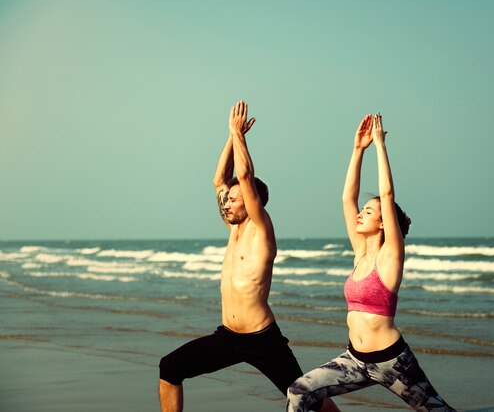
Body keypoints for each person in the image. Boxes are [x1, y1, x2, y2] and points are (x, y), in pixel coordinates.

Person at [159, 101, 338, 412]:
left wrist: (239, 135)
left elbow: (244, 174)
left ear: (254, 203)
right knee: (170, 368)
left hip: (262, 339)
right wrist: (230, 137)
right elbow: (220, 180)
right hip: (228, 336)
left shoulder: (261, 229)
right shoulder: (234, 229)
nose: (226, 203)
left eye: (234, 199)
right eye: (227, 200)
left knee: (304, 395)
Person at [286, 113, 456, 412]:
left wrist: (379, 145)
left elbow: (387, 195)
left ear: (383, 223)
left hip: (392, 362)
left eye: (369, 211)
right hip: (354, 360)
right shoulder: (360, 252)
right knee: (298, 392)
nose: (360, 213)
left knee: (438, 411)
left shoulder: (390, 256)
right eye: (362, 209)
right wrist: (357, 150)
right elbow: (346, 199)